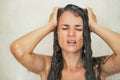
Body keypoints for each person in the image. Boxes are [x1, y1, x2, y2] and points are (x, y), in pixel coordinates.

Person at [10, 4, 120, 80]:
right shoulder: (47, 66)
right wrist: (50, 25)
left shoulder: (98, 67)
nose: (71, 34)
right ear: (56, 32)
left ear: (86, 33)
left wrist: (93, 26)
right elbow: (18, 49)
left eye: (79, 28)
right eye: (64, 28)